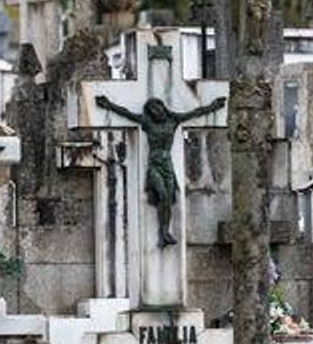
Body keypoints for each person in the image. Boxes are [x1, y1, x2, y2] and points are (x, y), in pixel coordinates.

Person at [94, 94, 227, 246]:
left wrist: (214, 107)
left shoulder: (174, 120)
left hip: (167, 166)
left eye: (158, 107)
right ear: (149, 113)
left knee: (168, 200)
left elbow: (195, 113)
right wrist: (109, 105)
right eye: (152, 110)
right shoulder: (148, 123)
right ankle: (163, 233)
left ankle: (165, 232)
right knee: (163, 195)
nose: (157, 112)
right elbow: (127, 114)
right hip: (154, 165)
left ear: (162, 107)